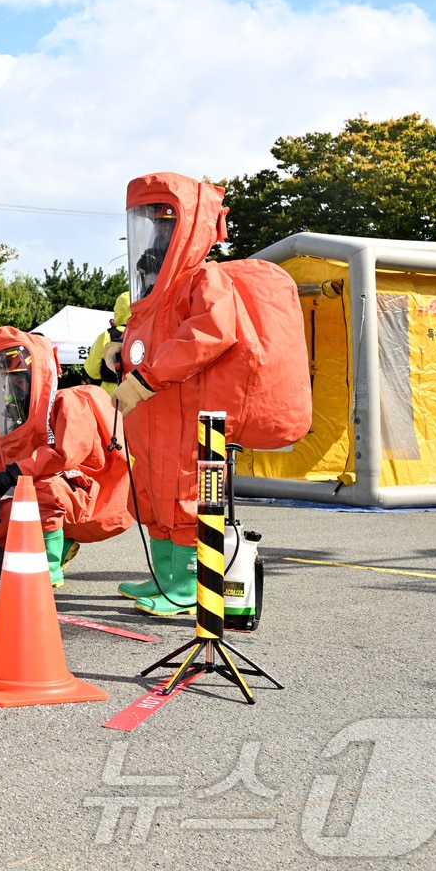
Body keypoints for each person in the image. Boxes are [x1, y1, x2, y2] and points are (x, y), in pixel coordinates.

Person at [109, 171, 309, 617]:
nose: (156, 234)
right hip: (156, 411)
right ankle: (164, 575)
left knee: (184, 492)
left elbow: (210, 333)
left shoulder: (203, 280)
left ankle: (185, 584)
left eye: (166, 221)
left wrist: (145, 379)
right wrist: (118, 352)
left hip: (185, 411)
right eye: (150, 221)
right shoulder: (153, 294)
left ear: (189, 227)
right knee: (154, 491)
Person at [0, 328, 132, 588]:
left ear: (38, 376)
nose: (13, 387)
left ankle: (49, 566)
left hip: (92, 499)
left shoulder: (69, 403)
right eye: (9, 380)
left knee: (45, 487)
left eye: (20, 379)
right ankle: (59, 542)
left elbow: (63, 457)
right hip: (56, 499)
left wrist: (14, 473)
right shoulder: (12, 418)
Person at [84, 291, 132, 395]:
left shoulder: (106, 336)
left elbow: (92, 370)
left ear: (117, 311)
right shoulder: (147, 334)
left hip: (111, 396)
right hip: (140, 395)